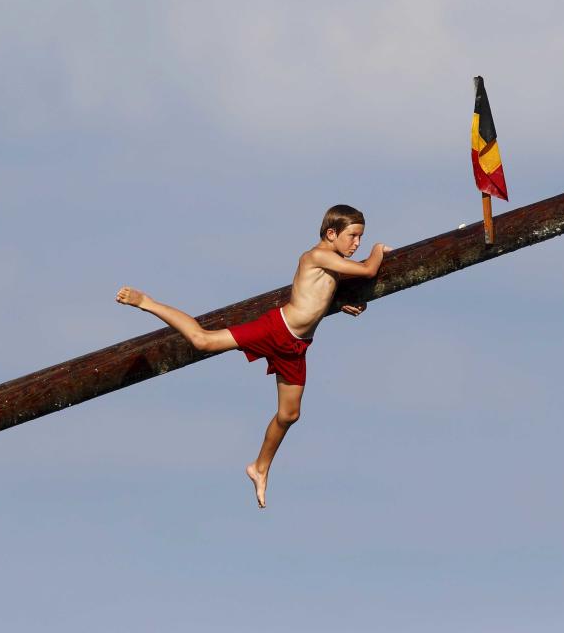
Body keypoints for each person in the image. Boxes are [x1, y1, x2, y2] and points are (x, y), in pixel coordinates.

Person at [116, 204, 391, 508]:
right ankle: (148, 302)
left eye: (362, 239)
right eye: (353, 236)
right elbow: (368, 269)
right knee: (203, 341)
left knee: (289, 415)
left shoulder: (334, 264)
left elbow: (324, 292)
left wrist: (343, 302)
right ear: (331, 233)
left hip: (297, 344)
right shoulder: (316, 256)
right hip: (276, 329)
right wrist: (379, 250)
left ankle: (259, 467)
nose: (358, 243)